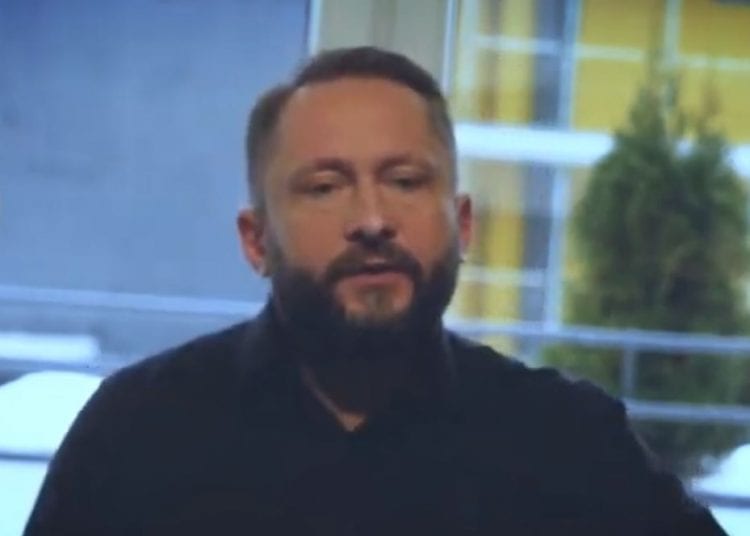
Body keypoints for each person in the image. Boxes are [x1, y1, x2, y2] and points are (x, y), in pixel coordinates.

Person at [24, 46, 727, 535]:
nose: (371, 219)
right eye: (325, 187)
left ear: (462, 224)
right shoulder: (137, 435)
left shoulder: (571, 443)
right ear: (256, 240)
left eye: (405, 181)